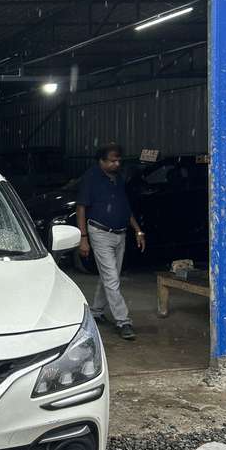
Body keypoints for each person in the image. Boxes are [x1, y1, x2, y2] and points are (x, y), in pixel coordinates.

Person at [75, 144, 146, 341]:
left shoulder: (119, 179)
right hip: (99, 232)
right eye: (113, 161)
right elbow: (81, 208)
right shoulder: (91, 179)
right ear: (102, 161)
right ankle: (123, 321)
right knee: (112, 278)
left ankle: (96, 311)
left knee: (109, 277)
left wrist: (137, 230)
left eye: (119, 161)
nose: (117, 164)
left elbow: (125, 207)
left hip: (120, 233)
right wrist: (83, 238)